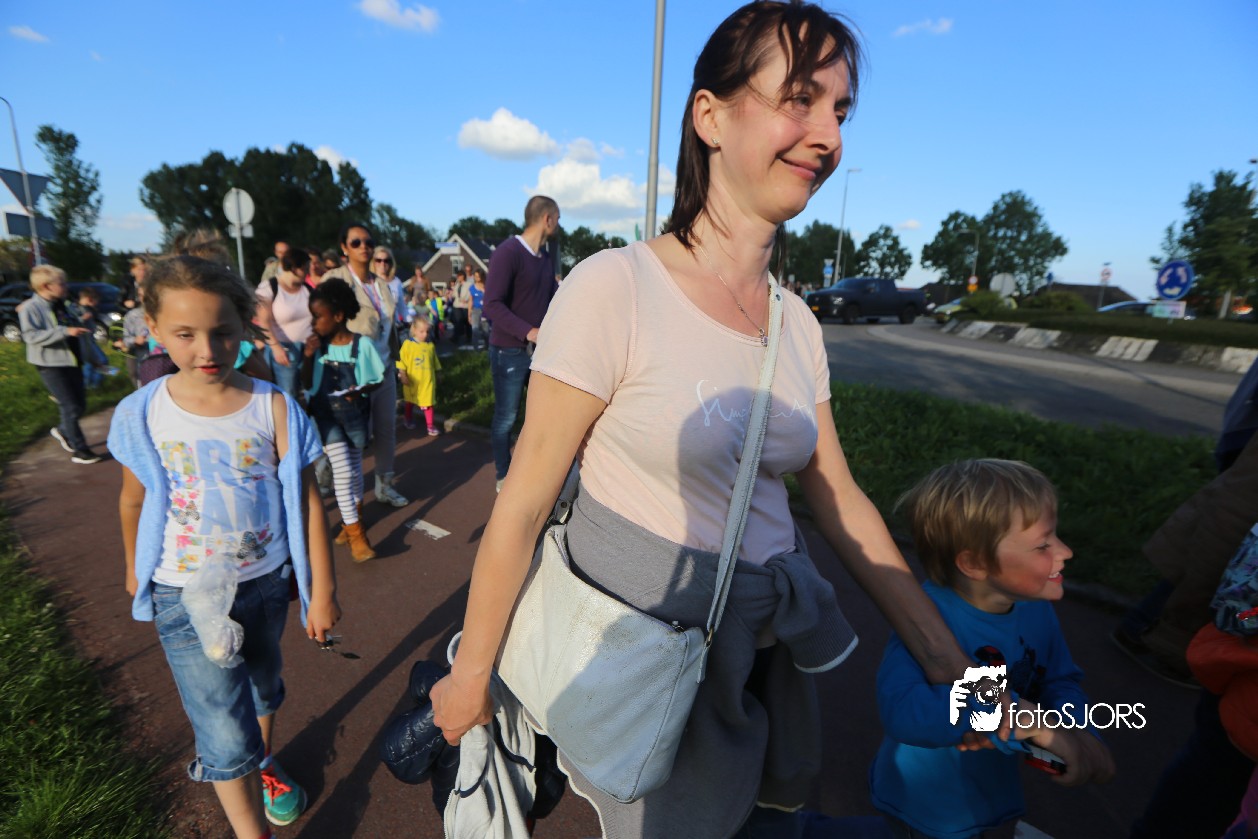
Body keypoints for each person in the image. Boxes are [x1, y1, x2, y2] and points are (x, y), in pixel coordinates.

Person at [430, 6, 1120, 836]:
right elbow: (525, 501)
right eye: (800, 99)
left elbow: (841, 501)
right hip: (644, 667)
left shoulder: (797, 325)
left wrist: (980, 691)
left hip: (760, 672)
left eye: (841, 111)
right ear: (710, 116)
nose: (828, 136)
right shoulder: (616, 288)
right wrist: (471, 675)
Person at [108, 255, 341, 838]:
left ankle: (263, 763)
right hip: (182, 594)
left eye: (222, 333)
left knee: (263, 686)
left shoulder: (274, 406)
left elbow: (308, 501)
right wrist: (134, 565)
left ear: (245, 326)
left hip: (265, 584)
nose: (207, 350)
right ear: (154, 329)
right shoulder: (143, 413)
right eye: (185, 334)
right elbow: (132, 500)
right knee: (221, 725)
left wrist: (322, 591)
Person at [869, 459, 1115, 838]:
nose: (1065, 551)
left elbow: (1059, 680)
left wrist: (1078, 733)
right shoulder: (925, 617)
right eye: (1043, 544)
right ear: (976, 562)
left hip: (993, 792)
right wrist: (1013, 718)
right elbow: (902, 711)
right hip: (931, 808)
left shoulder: (1033, 605)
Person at [321, 223, 409, 507]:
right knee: (352, 435)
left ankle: (385, 486)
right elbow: (322, 321)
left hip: (383, 366)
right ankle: (339, 486)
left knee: (386, 429)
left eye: (368, 242)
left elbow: (389, 324)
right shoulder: (335, 279)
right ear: (344, 248)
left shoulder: (382, 284)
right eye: (356, 242)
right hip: (351, 371)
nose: (364, 247)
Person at [301, 278, 386, 563]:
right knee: (343, 472)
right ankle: (356, 535)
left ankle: (351, 521)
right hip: (327, 419)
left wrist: (359, 390)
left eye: (317, 316)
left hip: (354, 416)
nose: (313, 323)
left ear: (338, 316)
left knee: (355, 471)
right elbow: (306, 383)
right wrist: (308, 357)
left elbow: (377, 378)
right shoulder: (317, 348)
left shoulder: (362, 345)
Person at [481, 195, 560, 493]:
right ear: (547, 219)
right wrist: (529, 331)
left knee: (542, 415)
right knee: (506, 417)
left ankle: (533, 472)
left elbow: (552, 298)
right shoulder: (508, 253)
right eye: (558, 219)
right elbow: (491, 304)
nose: (558, 225)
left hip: (539, 352)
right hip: (509, 351)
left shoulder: (545, 258)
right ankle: (504, 475)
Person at [18, 264, 103, 465]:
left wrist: (92, 355)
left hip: (73, 360)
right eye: (62, 283)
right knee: (70, 405)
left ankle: (63, 430)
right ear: (46, 286)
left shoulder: (64, 305)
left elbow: (77, 329)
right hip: (50, 364)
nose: (66, 286)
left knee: (80, 405)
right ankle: (80, 450)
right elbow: (30, 336)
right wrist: (65, 332)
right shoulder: (31, 308)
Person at [256, 248, 314, 398]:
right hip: (285, 350)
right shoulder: (269, 287)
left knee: (309, 392)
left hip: (308, 349)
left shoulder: (307, 289)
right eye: (305, 268)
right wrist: (276, 347)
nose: (308, 272)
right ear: (295, 268)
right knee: (288, 394)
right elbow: (264, 321)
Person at [397, 316, 441, 435]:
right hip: (412, 381)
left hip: (427, 381)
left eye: (427, 331)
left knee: (428, 403)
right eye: (422, 331)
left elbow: (435, 361)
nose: (425, 334)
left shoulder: (430, 346)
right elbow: (401, 361)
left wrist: (438, 373)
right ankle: (408, 418)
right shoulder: (408, 345)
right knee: (410, 402)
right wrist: (403, 374)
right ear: (414, 330)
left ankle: (430, 426)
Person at [450, 264, 473, 345]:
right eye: (458, 276)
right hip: (457, 305)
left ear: (463, 276)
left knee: (467, 322)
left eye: (459, 276)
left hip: (465, 305)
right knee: (458, 320)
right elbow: (454, 294)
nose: (458, 277)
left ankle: (469, 337)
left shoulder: (468, 284)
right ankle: (456, 337)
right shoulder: (457, 285)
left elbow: (470, 294)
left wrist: (466, 299)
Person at [468, 267, 487, 349]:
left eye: (478, 276)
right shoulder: (472, 287)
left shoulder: (487, 286)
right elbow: (470, 301)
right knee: (475, 330)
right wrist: (469, 314)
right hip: (475, 310)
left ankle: (487, 348)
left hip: (485, 311)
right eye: (475, 276)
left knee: (486, 331)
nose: (476, 278)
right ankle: (476, 349)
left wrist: (484, 291)